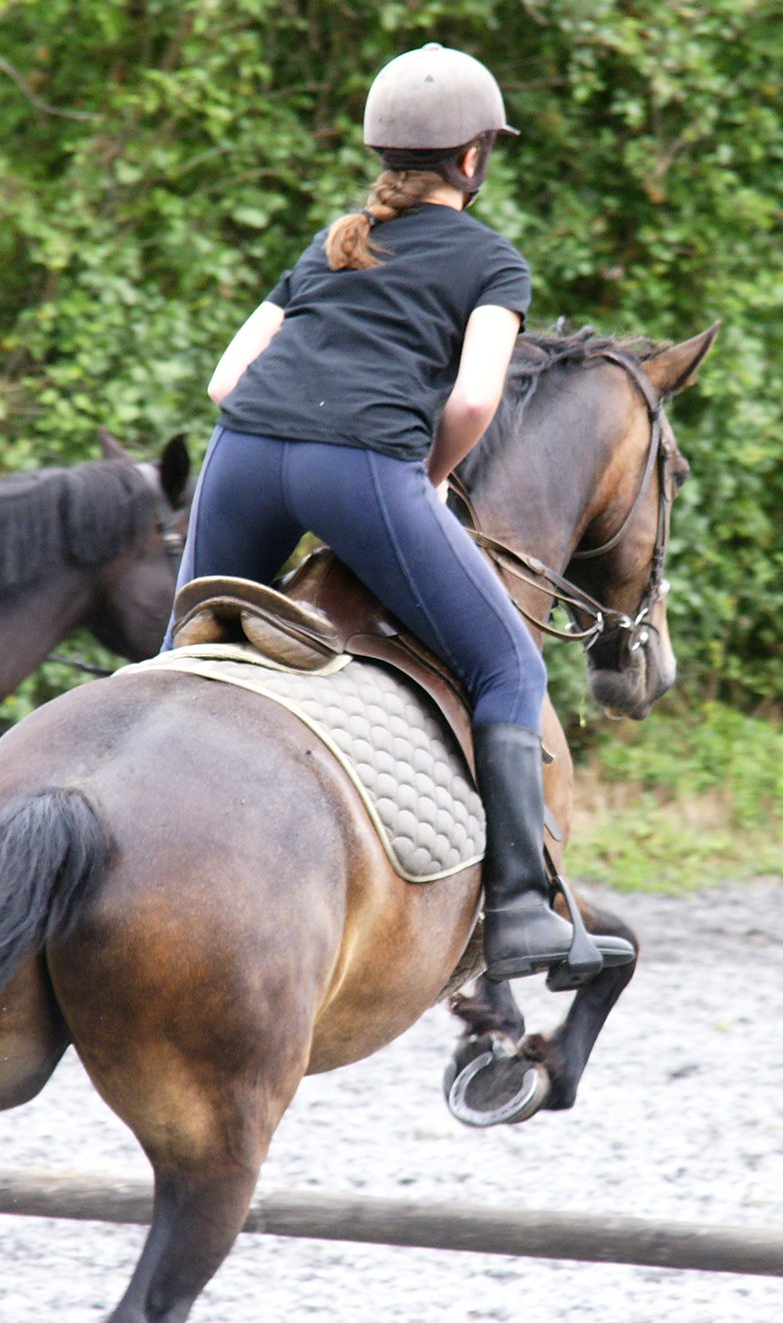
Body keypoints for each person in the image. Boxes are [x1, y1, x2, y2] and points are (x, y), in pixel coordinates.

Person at [165, 43, 631, 983]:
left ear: (385, 155)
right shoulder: (494, 263)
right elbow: (470, 405)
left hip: (245, 458)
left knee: (181, 649)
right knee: (506, 662)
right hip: (360, 471)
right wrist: (426, 478)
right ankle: (519, 912)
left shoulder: (333, 241)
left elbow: (225, 381)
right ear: (473, 159)